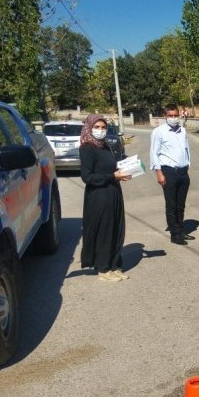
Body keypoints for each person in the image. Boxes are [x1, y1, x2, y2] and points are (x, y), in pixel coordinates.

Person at [80, 114, 132, 282]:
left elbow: (111, 167)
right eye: (97, 127)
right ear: (89, 128)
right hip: (99, 194)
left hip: (113, 191)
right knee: (105, 231)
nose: (101, 130)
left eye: (103, 127)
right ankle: (103, 268)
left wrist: (122, 173)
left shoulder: (105, 146)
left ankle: (114, 265)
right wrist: (112, 177)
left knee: (116, 228)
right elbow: (87, 177)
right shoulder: (87, 148)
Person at [150, 104, 192, 245]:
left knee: (181, 205)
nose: (173, 118)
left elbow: (186, 149)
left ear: (179, 115)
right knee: (171, 205)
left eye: (175, 115)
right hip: (169, 172)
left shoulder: (182, 131)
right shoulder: (158, 132)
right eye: (170, 116)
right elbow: (154, 153)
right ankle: (175, 234)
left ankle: (180, 230)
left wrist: (188, 164)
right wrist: (159, 173)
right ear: (165, 116)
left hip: (183, 172)